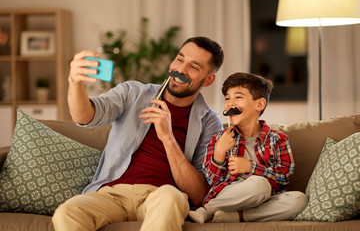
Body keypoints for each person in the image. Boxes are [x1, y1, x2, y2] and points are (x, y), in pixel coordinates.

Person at [52, 37, 224, 231]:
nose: (181, 70)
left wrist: (167, 138)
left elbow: (200, 194)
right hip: (111, 195)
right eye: (179, 59)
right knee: (68, 211)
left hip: (161, 195)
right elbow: (84, 116)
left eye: (193, 67)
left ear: (208, 79)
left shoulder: (209, 122)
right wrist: (74, 82)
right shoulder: (133, 93)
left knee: (170, 199)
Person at [188, 72, 308, 223]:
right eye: (227, 98)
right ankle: (207, 210)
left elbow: (283, 177)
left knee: (299, 199)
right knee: (260, 184)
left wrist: (250, 167)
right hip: (230, 195)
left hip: (264, 197)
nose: (229, 103)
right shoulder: (219, 138)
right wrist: (219, 152)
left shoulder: (277, 139)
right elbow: (212, 181)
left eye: (238, 97)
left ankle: (235, 217)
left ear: (259, 104)